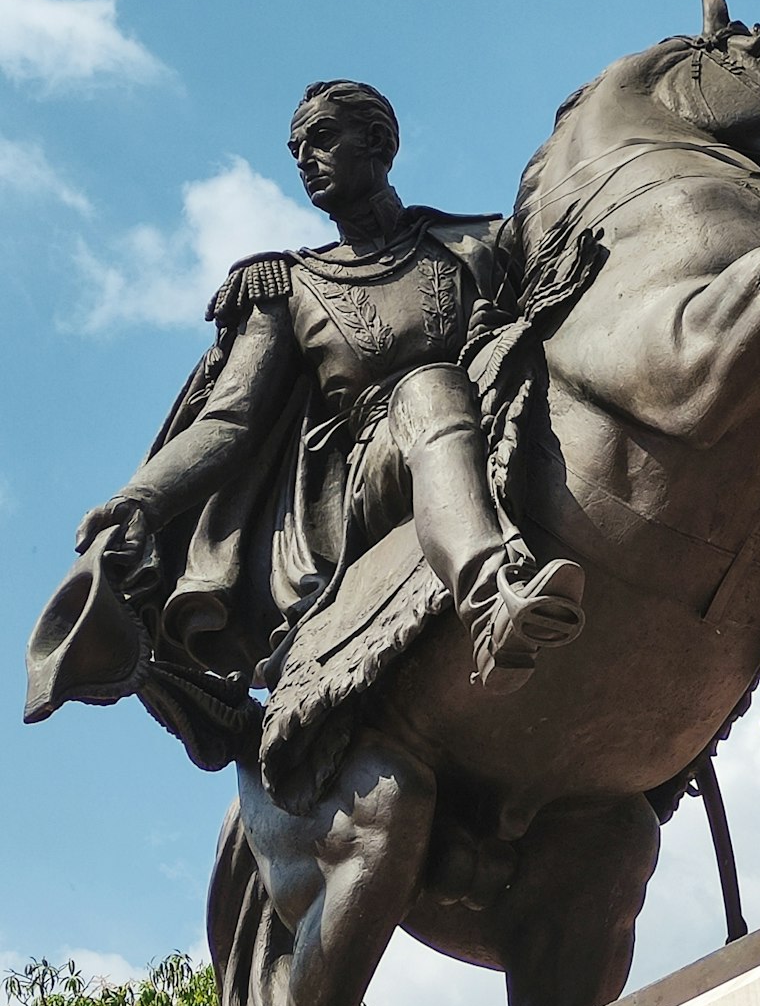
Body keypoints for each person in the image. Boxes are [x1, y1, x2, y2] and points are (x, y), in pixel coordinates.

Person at [73, 81, 586, 707]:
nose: (304, 161)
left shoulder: (479, 242)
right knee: (428, 389)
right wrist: (141, 499)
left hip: (499, 411)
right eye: (296, 151)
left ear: (375, 141)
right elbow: (230, 422)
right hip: (372, 473)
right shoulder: (288, 287)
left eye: (320, 139)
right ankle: (491, 597)